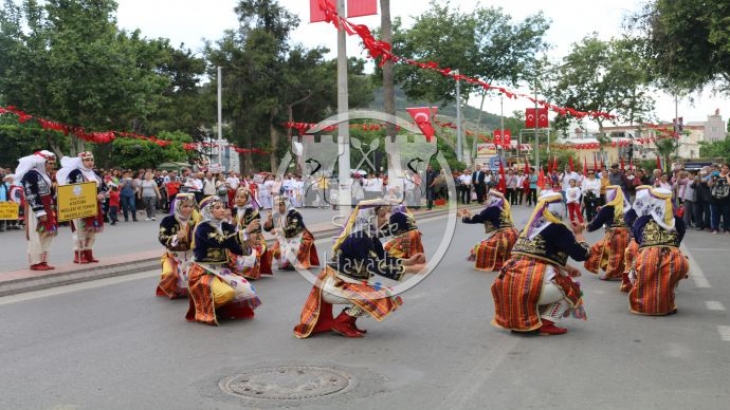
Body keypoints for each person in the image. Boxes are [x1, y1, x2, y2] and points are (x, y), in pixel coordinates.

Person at [293, 200, 426, 338]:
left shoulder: (369, 235)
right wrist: (411, 270)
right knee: (380, 294)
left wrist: (409, 262)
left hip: (347, 282)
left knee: (382, 293)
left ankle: (347, 322)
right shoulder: (360, 238)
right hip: (334, 285)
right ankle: (341, 322)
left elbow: (384, 258)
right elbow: (375, 266)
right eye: (381, 216)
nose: (385, 220)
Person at [491, 191, 591, 336]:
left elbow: (540, 254)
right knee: (572, 288)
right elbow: (582, 254)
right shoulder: (558, 228)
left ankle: (528, 318)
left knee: (550, 278)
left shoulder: (527, 228)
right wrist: (579, 235)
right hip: (529, 284)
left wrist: (567, 267)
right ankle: (546, 323)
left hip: (506, 284)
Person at [185, 196, 261, 325]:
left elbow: (236, 248)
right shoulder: (202, 229)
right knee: (226, 293)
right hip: (204, 270)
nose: (222, 210)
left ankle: (223, 310)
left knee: (247, 290)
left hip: (222, 269)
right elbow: (219, 242)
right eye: (217, 207)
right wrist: (244, 232)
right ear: (208, 211)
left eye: (222, 207)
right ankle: (205, 309)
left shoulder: (226, 226)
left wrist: (248, 243)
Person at [627, 187, 689, 315]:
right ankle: (666, 303)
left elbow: (638, 240)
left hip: (647, 258)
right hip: (675, 260)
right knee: (674, 269)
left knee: (638, 265)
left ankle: (643, 303)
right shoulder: (677, 220)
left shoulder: (643, 219)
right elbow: (679, 240)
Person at [56, 152, 106, 264]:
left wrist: (102, 194)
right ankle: (79, 254)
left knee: (92, 230)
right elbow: (69, 189)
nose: (90, 162)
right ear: (81, 161)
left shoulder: (95, 173)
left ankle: (89, 252)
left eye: (92, 160)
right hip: (79, 206)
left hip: (94, 206)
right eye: (87, 160)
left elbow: (104, 186)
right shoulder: (75, 173)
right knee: (80, 230)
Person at [15, 150, 58, 270]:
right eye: (48, 163)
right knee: (36, 235)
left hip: (49, 208)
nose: (51, 166)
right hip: (36, 210)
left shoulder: (46, 175)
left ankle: (44, 261)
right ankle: (35, 262)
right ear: (41, 163)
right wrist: (40, 211)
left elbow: (51, 193)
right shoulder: (31, 174)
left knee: (47, 234)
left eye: (52, 163)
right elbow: (30, 194)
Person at [459, 190, 518, 272]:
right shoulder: (503, 205)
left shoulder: (492, 208)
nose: (486, 199)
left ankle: (495, 263)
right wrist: (468, 214)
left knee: (481, 246)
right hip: (513, 234)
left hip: (504, 235)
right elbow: (483, 219)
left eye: (488, 197)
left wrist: (464, 215)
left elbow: (479, 218)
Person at [583, 185, 631, 281]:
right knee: (622, 255)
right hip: (627, 234)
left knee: (600, 250)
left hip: (613, 235)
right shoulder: (628, 207)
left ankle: (610, 273)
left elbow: (597, 223)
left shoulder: (607, 208)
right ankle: (621, 272)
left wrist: (587, 227)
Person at [156, 193, 197, 299]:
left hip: (192, 255)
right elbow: (162, 237)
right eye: (185, 206)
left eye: (191, 206)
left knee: (196, 272)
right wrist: (176, 237)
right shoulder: (168, 221)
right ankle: (174, 289)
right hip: (174, 256)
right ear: (178, 206)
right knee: (171, 274)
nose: (188, 209)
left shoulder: (197, 221)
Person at [263, 197, 320, 270]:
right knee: (274, 249)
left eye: (280, 205)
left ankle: (295, 262)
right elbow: (268, 229)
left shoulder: (294, 213)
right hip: (286, 237)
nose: (278, 207)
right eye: (276, 205)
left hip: (300, 236)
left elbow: (294, 226)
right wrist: (269, 221)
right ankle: (286, 262)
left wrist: (279, 230)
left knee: (295, 248)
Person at [231, 187, 273, 279]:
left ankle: (250, 272)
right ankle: (236, 270)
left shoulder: (253, 212)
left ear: (247, 199)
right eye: (237, 197)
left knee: (252, 251)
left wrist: (251, 238)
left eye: (242, 197)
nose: (238, 199)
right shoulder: (232, 211)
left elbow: (256, 228)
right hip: (237, 236)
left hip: (252, 237)